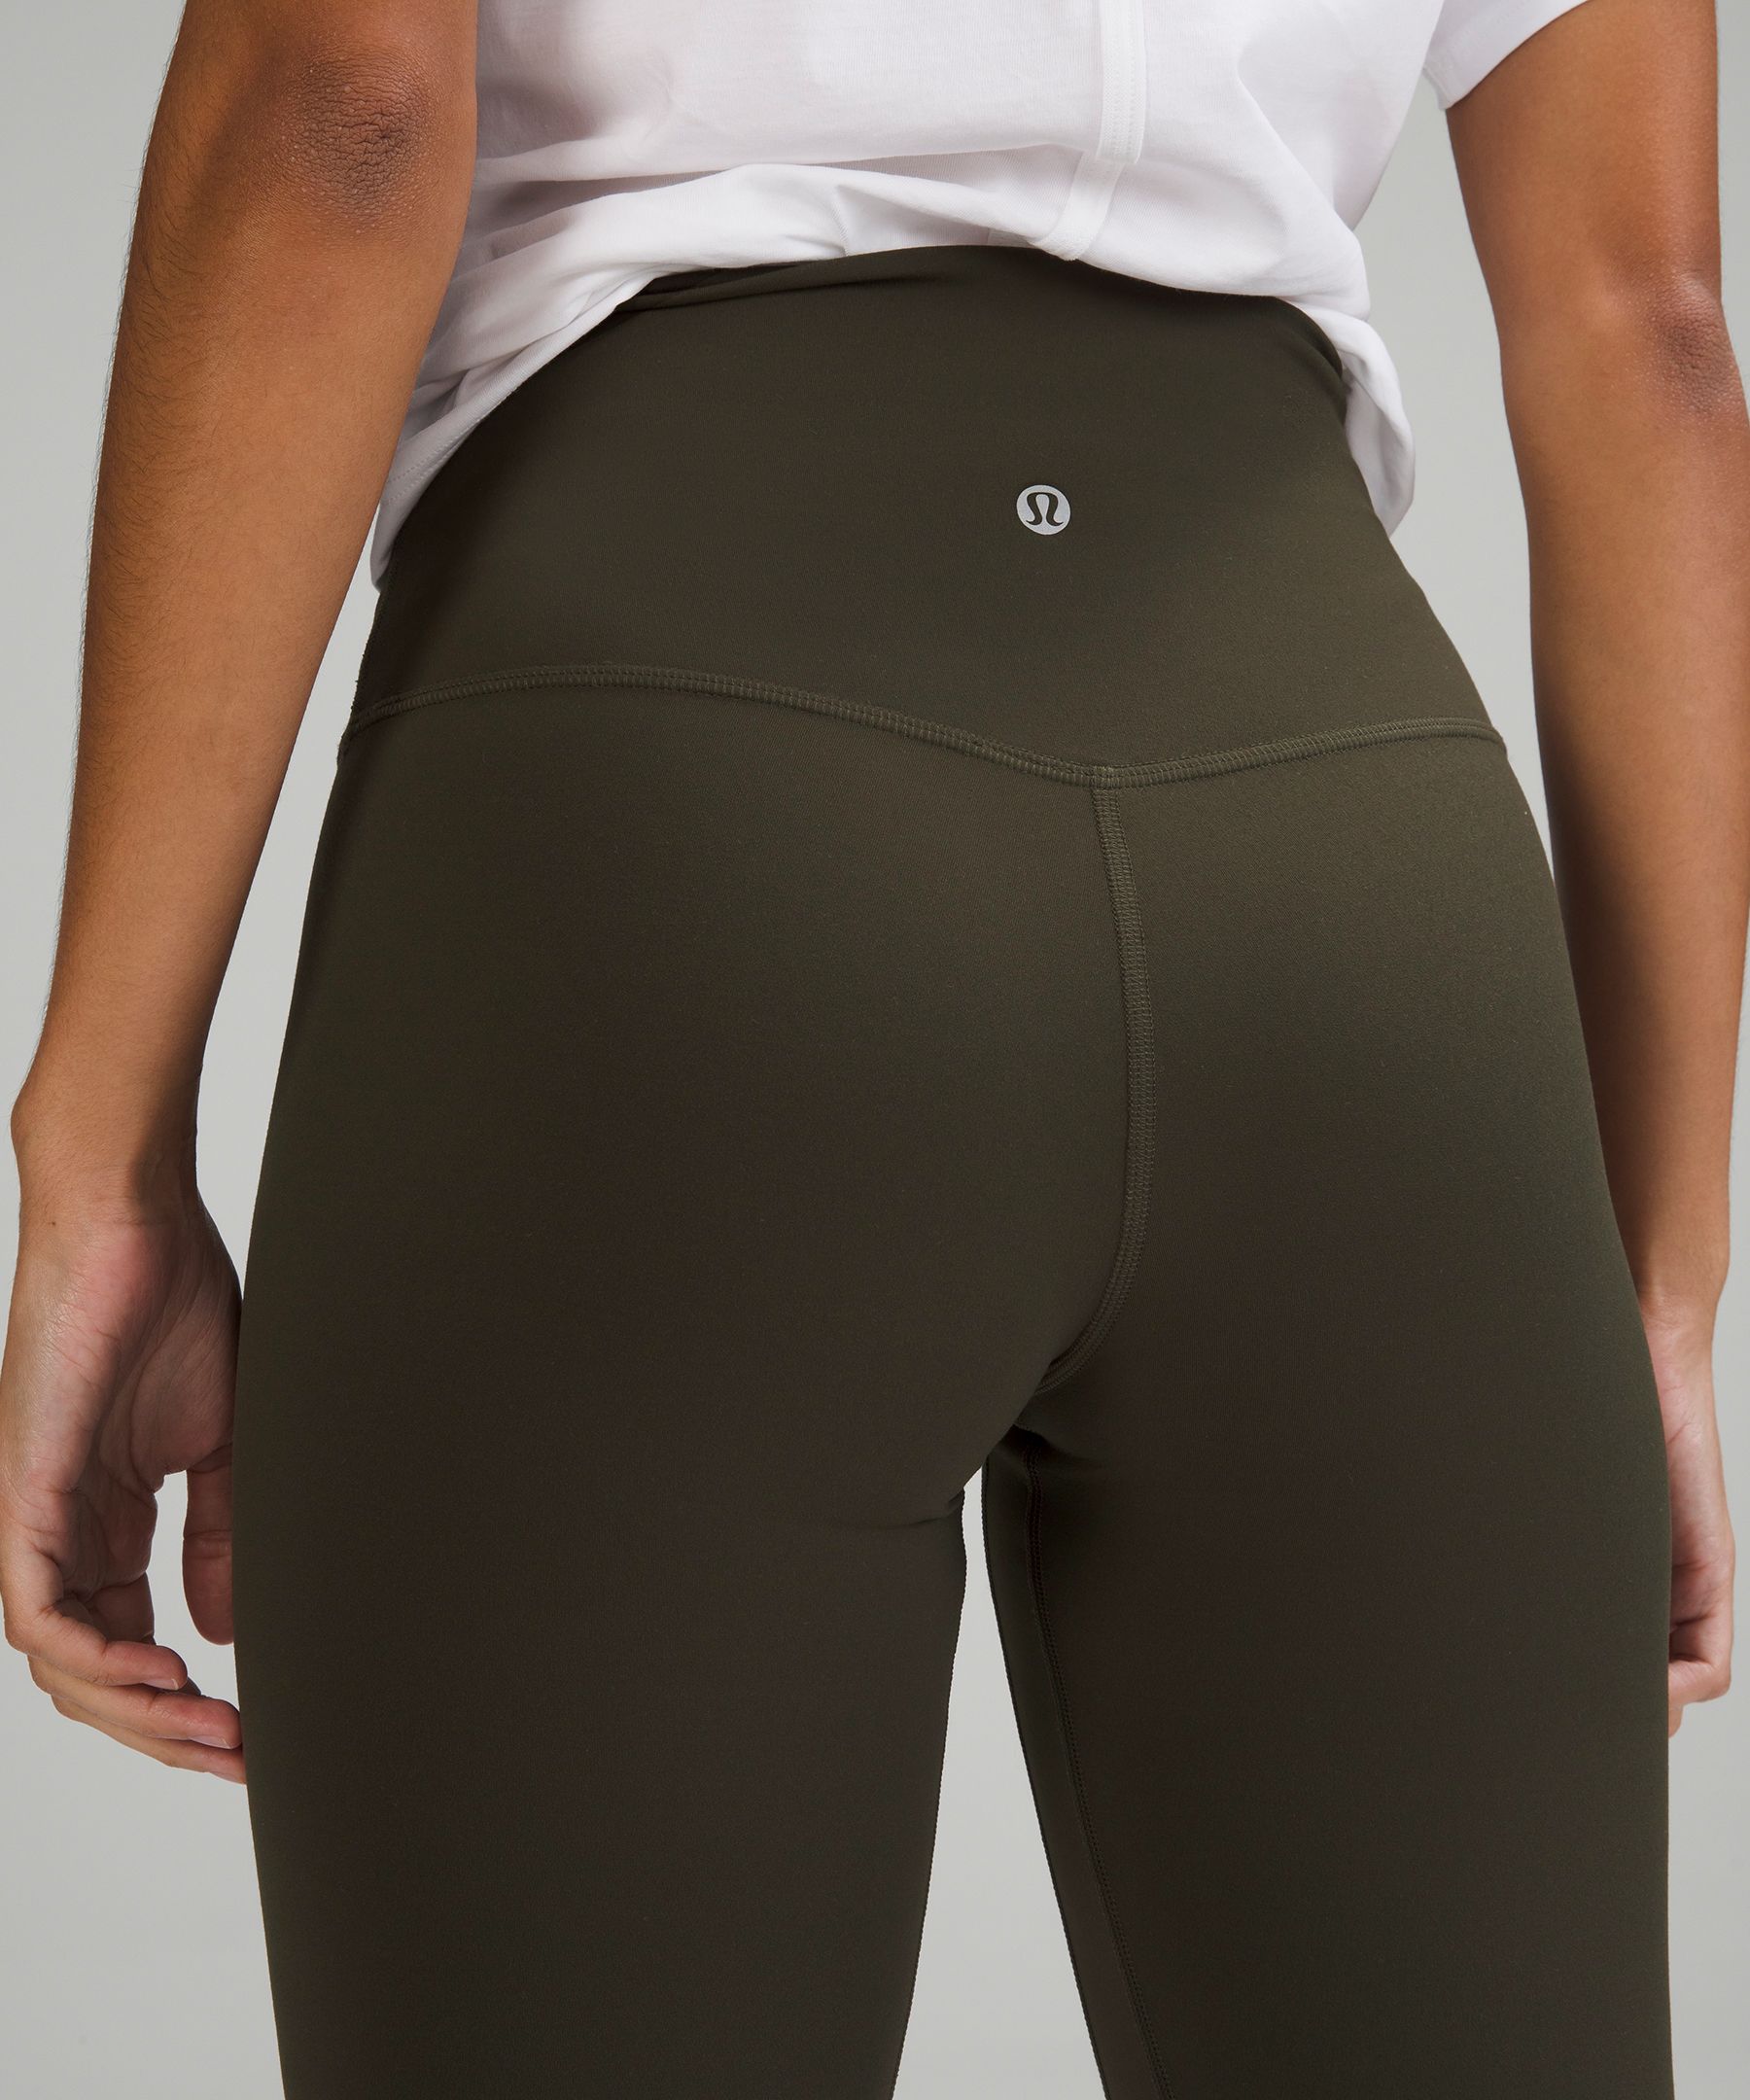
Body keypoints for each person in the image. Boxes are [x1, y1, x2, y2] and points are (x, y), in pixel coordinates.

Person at [1, 0, 1743, 2093]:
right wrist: (1657, 1283)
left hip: (669, 823)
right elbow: (1649, 333)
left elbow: (343, 115)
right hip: (1361, 870)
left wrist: (101, 1157)